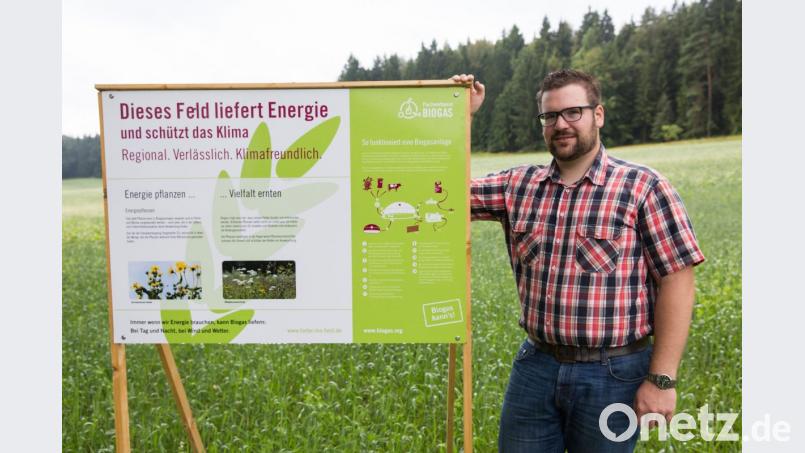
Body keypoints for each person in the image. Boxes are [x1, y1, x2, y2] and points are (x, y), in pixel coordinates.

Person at [451, 69, 705, 452]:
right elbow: (444, 191)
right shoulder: (517, 187)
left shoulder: (642, 187)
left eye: (573, 112)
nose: (561, 124)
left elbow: (678, 279)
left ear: (597, 115)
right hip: (536, 366)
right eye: (550, 116)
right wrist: (462, 115)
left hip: (614, 373)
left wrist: (662, 379)